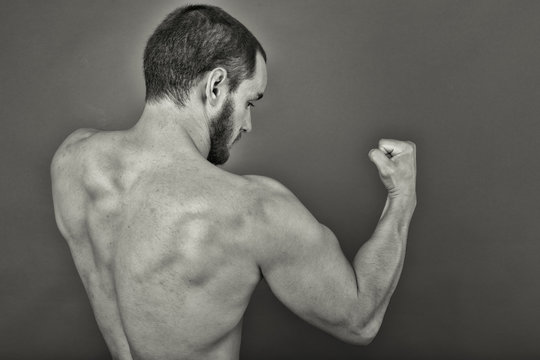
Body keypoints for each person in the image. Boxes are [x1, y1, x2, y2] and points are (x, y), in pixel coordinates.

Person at [51, 4, 417, 360]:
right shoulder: (250, 210)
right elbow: (359, 320)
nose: (247, 124)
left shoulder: (73, 160)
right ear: (215, 86)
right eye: (250, 102)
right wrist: (402, 196)